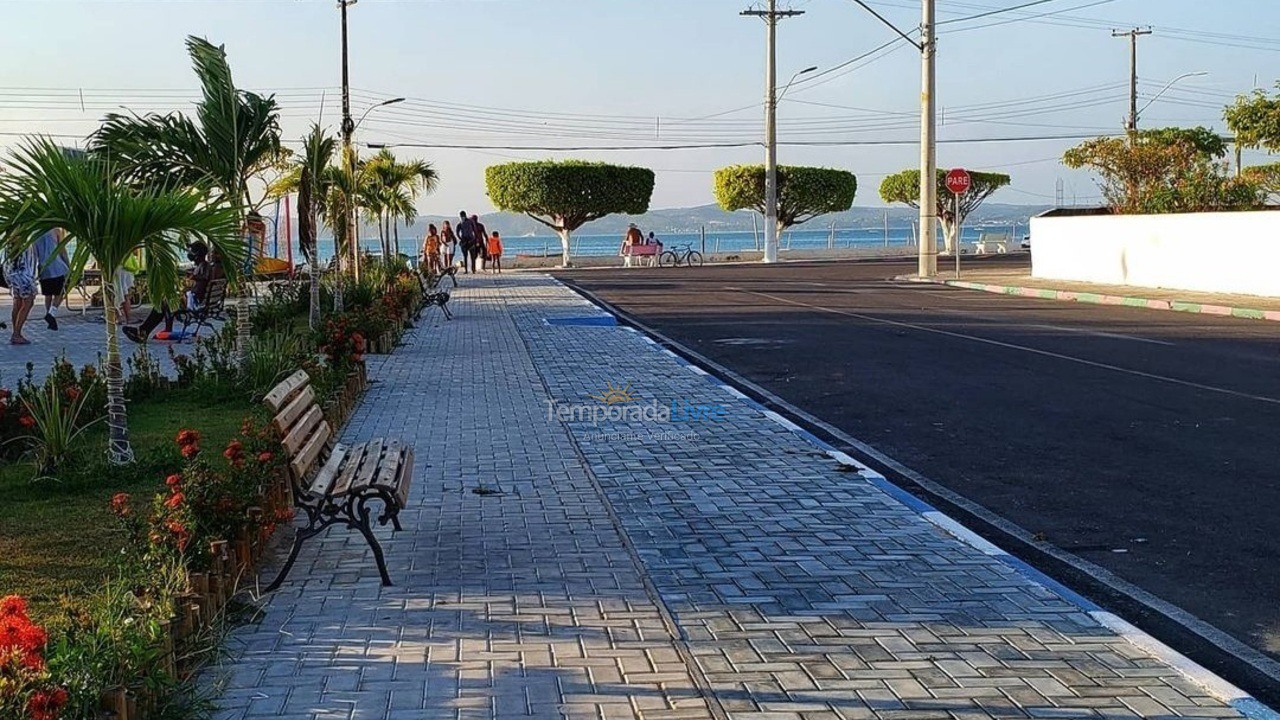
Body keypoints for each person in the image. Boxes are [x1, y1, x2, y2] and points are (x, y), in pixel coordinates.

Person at [124, 241, 214, 344]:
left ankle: (146, 330)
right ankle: (143, 330)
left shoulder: (204, 266)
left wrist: (193, 278)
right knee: (164, 302)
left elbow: (204, 279)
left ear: (197, 254)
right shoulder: (201, 266)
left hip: (195, 303)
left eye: (192, 252)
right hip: (195, 300)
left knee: (165, 303)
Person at [33, 229, 70, 331]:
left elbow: (34, 254)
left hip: (44, 269)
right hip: (57, 267)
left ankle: (49, 315)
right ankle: (51, 314)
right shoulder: (56, 231)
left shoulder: (35, 234)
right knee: (61, 292)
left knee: (48, 294)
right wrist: (68, 264)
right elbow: (62, 250)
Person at [4, 243, 38, 345]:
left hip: (13, 275)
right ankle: (16, 333)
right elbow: (28, 262)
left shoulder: (8, 244)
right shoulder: (24, 243)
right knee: (28, 302)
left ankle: (16, 332)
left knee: (17, 303)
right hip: (23, 277)